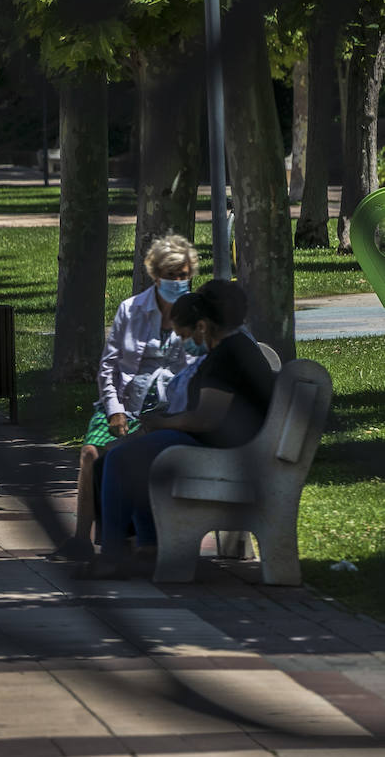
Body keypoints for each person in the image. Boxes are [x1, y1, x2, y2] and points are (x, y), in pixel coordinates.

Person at [77, 280, 276, 579]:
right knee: (117, 456)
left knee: (122, 460)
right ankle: (147, 548)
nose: (185, 342)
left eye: (186, 335)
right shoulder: (232, 349)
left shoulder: (228, 354)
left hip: (229, 452)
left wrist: (161, 423)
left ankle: (114, 556)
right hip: (230, 445)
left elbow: (206, 419)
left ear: (204, 325)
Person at [60, 234, 199, 556]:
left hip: (167, 407)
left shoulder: (194, 313)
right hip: (126, 400)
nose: (177, 282)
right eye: (171, 275)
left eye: (183, 275)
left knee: (132, 456)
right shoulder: (131, 310)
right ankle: (81, 539)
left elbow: (194, 368)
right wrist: (114, 410)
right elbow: (108, 367)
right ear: (155, 276)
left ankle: (129, 537)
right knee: (91, 453)